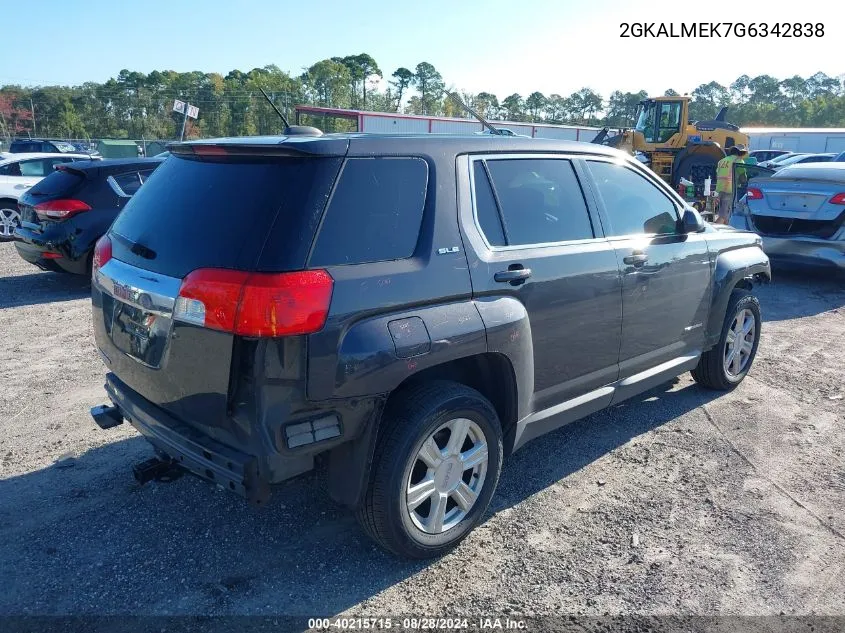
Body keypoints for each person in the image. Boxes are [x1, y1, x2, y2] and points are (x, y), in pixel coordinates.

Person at [715, 145, 743, 224]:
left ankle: (725, 231)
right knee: (724, 215)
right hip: (730, 190)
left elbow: (718, 173)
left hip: (720, 189)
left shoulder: (722, 161)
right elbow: (743, 177)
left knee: (726, 214)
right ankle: (712, 231)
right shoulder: (738, 161)